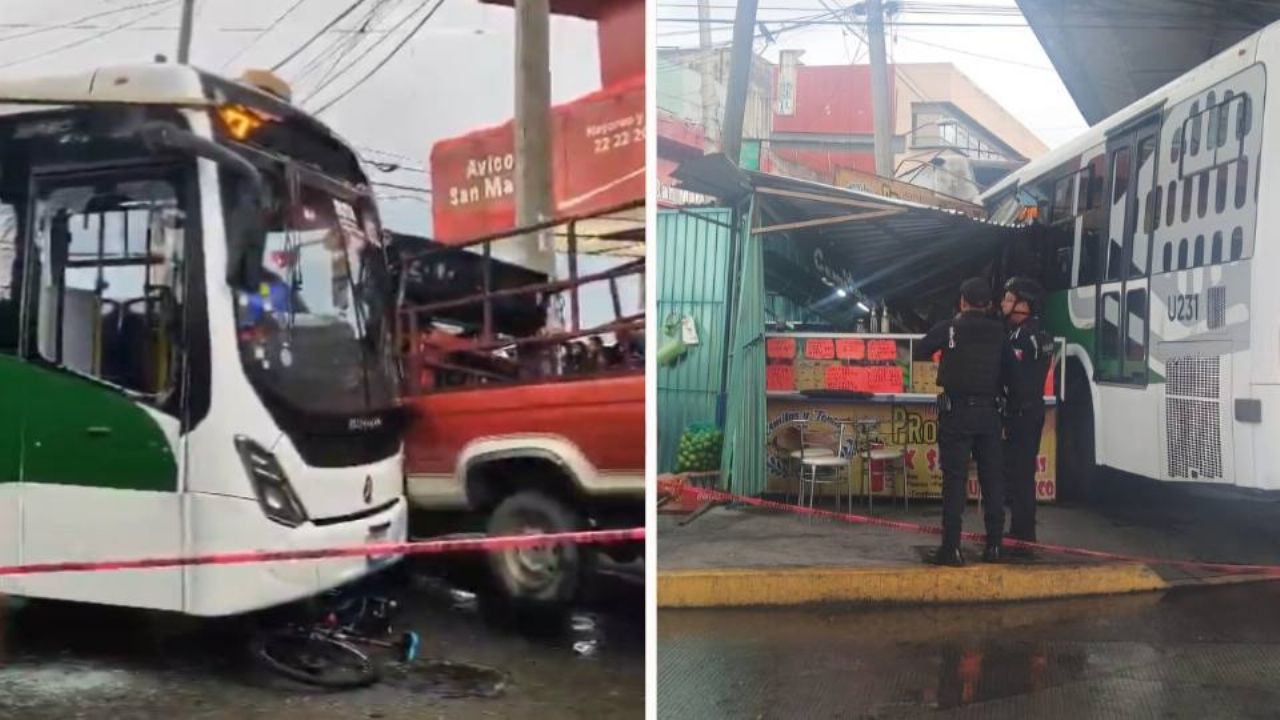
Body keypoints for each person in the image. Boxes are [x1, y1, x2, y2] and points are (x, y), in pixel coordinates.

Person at [913, 277, 1016, 566]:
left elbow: (920, 351)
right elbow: (1011, 373)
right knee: (993, 481)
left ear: (962, 302)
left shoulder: (949, 328)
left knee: (954, 483)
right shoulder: (999, 332)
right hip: (990, 414)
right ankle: (994, 547)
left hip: (956, 414)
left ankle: (952, 549)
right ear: (988, 304)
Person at [1000, 277, 1055, 554]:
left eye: (1009, 299)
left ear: (1024, 305)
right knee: (1024, 476)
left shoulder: (1021, 337)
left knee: (1019, 477)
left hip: (1021, 413)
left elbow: (1016, 379)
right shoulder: (1043, 334)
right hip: (1033, 410)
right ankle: (1023, 532)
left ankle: (1022, 536)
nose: (1003, 304)